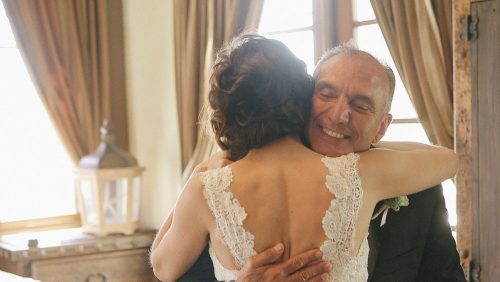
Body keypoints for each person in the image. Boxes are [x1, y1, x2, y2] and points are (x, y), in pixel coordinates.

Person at [150, 34, 458, 282]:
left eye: (361, 106)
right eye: (326, 94)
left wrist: (205, 169)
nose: (339, 115)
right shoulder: (366, 173)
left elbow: (162, 267)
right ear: (303, 99)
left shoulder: (208, 188)